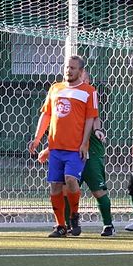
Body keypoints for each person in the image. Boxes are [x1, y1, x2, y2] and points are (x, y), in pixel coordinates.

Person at [28, 55, 99, 237]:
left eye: (73, 68)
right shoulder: (55, 88)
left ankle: (74, 215)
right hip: (55, 147)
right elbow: (46, 115)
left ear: (81, 71)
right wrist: (37, 139)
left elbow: (90, 119)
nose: (69, 70)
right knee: (55, 186)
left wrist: (84, 143)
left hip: (75, 148)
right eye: (67, 67)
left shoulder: (89, 91)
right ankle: (60, 226)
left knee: (71, 180)